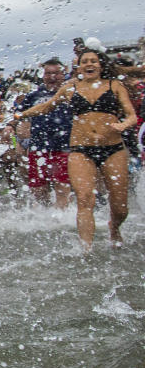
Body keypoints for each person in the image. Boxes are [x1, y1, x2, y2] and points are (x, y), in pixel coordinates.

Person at [18, 49, 138, 249]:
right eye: (85, 62)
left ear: (101, 65)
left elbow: (132, 115)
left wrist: (123, 125)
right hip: (80, 149)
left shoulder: (114, 85)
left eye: (93, 61)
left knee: (120, 207)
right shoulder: (70, 87)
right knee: (84, 199)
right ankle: (86, 250)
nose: (89, 64)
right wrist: (19, 116)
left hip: (113, 148)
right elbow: (47, 106)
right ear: (79, 67)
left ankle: (114, 226)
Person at [14, 58, 72, 208]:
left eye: (56, 73)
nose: (52, 76)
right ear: (43, 75)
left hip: (64, 146)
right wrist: (18, 137)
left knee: (62, 186)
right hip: (38, 146)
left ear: (63, 74)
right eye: (48, 73)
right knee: (38, 189)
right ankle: (45, 218)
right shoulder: (34, 96)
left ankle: (62, 218)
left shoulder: (71, 94)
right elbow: (18, 116)